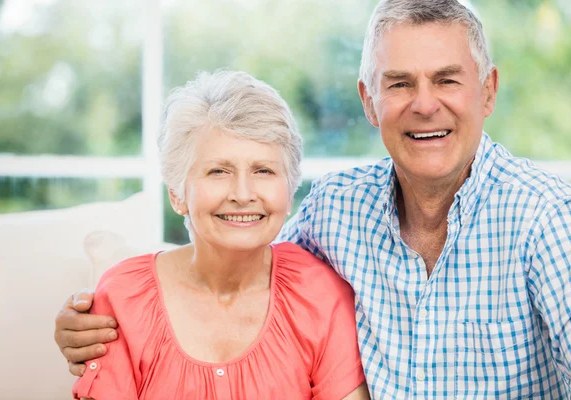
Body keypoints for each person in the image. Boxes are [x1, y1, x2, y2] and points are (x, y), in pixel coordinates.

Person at [56, 0, 571, 398]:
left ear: (488, 91)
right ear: (369, 99)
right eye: (400, 83)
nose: (425, 104)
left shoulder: (547, 222)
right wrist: (108, 310)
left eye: (448, 80)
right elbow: (238, 255)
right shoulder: (334, 210)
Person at [66, 70, 369, 399]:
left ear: (290, 191)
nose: (243, 193)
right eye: (218, 171)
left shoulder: (320, 294)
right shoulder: (123, 296)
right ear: (177, 194)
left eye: (263, 170)